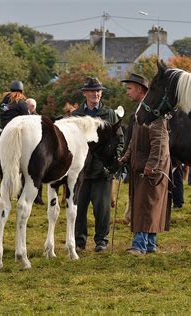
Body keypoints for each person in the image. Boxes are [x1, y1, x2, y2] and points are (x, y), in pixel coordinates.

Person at [119, 73, 171, 256]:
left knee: (146, 205)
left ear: (140, 90)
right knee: (146, 205)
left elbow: (160, 142)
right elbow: (134, 140)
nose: (127, 92)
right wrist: (125, 157)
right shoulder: (140, 112)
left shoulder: (154, 114)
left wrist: (152, 166)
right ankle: (149, 244)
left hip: (150, 169)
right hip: (140, 166)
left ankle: (139, 245)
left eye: (129, 88)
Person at [72, 77, 125, 252]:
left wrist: (115, 159)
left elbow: (120, 139)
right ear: (85, 93)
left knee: (102, 209)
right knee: (78, 209)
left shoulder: (110, 114)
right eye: (92, 91)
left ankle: (101, 241)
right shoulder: (76, 116)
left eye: (98, 91)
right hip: (80, 171)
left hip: (102, 170)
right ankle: (79, 242)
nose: (96, 94)